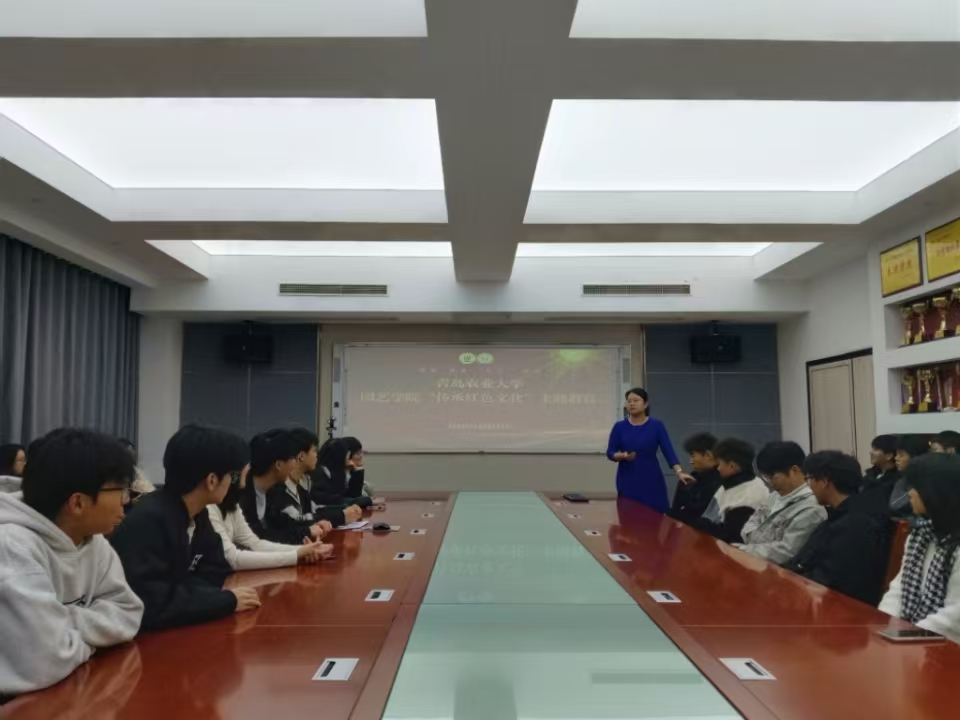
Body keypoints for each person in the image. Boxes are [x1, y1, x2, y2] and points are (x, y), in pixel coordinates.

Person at [0, 429, 143, 696]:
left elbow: (129, 614)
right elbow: (45, 661)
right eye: (121, 491)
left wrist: (61, 622)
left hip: (69, 686)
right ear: (78, 503)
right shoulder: (12, 546)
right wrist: (92, 637)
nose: (126, 502)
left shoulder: (92, 539)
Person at [110, 425, 261, 631]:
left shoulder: (198, 513)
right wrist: (222, 601)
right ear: (212, 480)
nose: (237, 484)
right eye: (232, 476)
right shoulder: (147, 522)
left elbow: (215, 569)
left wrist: (189, 596)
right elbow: (150, 602)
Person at [785, 451, 890, 605]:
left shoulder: (856, 524)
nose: (808, 486)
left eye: (809, 479)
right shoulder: (839, 515)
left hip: (840, 607)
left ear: (824, 481)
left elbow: (830, 580)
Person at [880, 454, 960, 644]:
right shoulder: (920, 534)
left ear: (936, 492)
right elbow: (899, 589)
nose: (909, 493)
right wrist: (884, 623)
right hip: (913, 637)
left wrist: (908, 636)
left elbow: (955, 616)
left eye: (915, 487)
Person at [209, 461, 333, 571]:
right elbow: (233, 559)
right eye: (244, 475)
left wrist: (303, 550)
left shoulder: (232, 505)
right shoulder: (210, 508)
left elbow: (255, 544)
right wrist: (296, 555)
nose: (243, 484)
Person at [733, 441, 826, 565]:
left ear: (794, 470)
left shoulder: (811, 507)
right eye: (765, 478)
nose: (770, 483)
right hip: (759, 563)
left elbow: (787, 551)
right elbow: (749, 525)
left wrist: (745, 549)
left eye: (772, 477)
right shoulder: (774, 496)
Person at [606, 388, 693, 514]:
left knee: (654, 517)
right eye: (629, 401)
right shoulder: (619, 427)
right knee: (629, 517)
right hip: (627, 479)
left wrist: (679, 472)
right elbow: (610, 453)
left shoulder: (656, 426)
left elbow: (668, 451)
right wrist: (623, 455)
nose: (631, 404)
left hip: (651, 478)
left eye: (636, 400)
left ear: (645, 404)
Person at [692, 438, 768, 543]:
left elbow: (730, 537)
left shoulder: (747, 498)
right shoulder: (732, 482)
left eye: (719, 464)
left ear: (732, 466)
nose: (718, 468)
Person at [310, 437, 385, 510]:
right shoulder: (321, 474)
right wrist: (367, 501)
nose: (347, 458)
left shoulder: (333, 473)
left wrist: (356, 471)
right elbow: (337, 501)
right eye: (347, 454)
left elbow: (348, 497)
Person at [669, 433, 721, 525]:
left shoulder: (721, 482)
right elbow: (675, 513)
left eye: (693, 456)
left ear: (708, 455)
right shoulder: (692, 478)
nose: (691, 461)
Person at [889, 435, 931, 515]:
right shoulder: (903, 480)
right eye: (896, 454)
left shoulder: (933, 480)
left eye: (901, 455)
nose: (896, 458)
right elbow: (895, 504)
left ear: (916, 458)